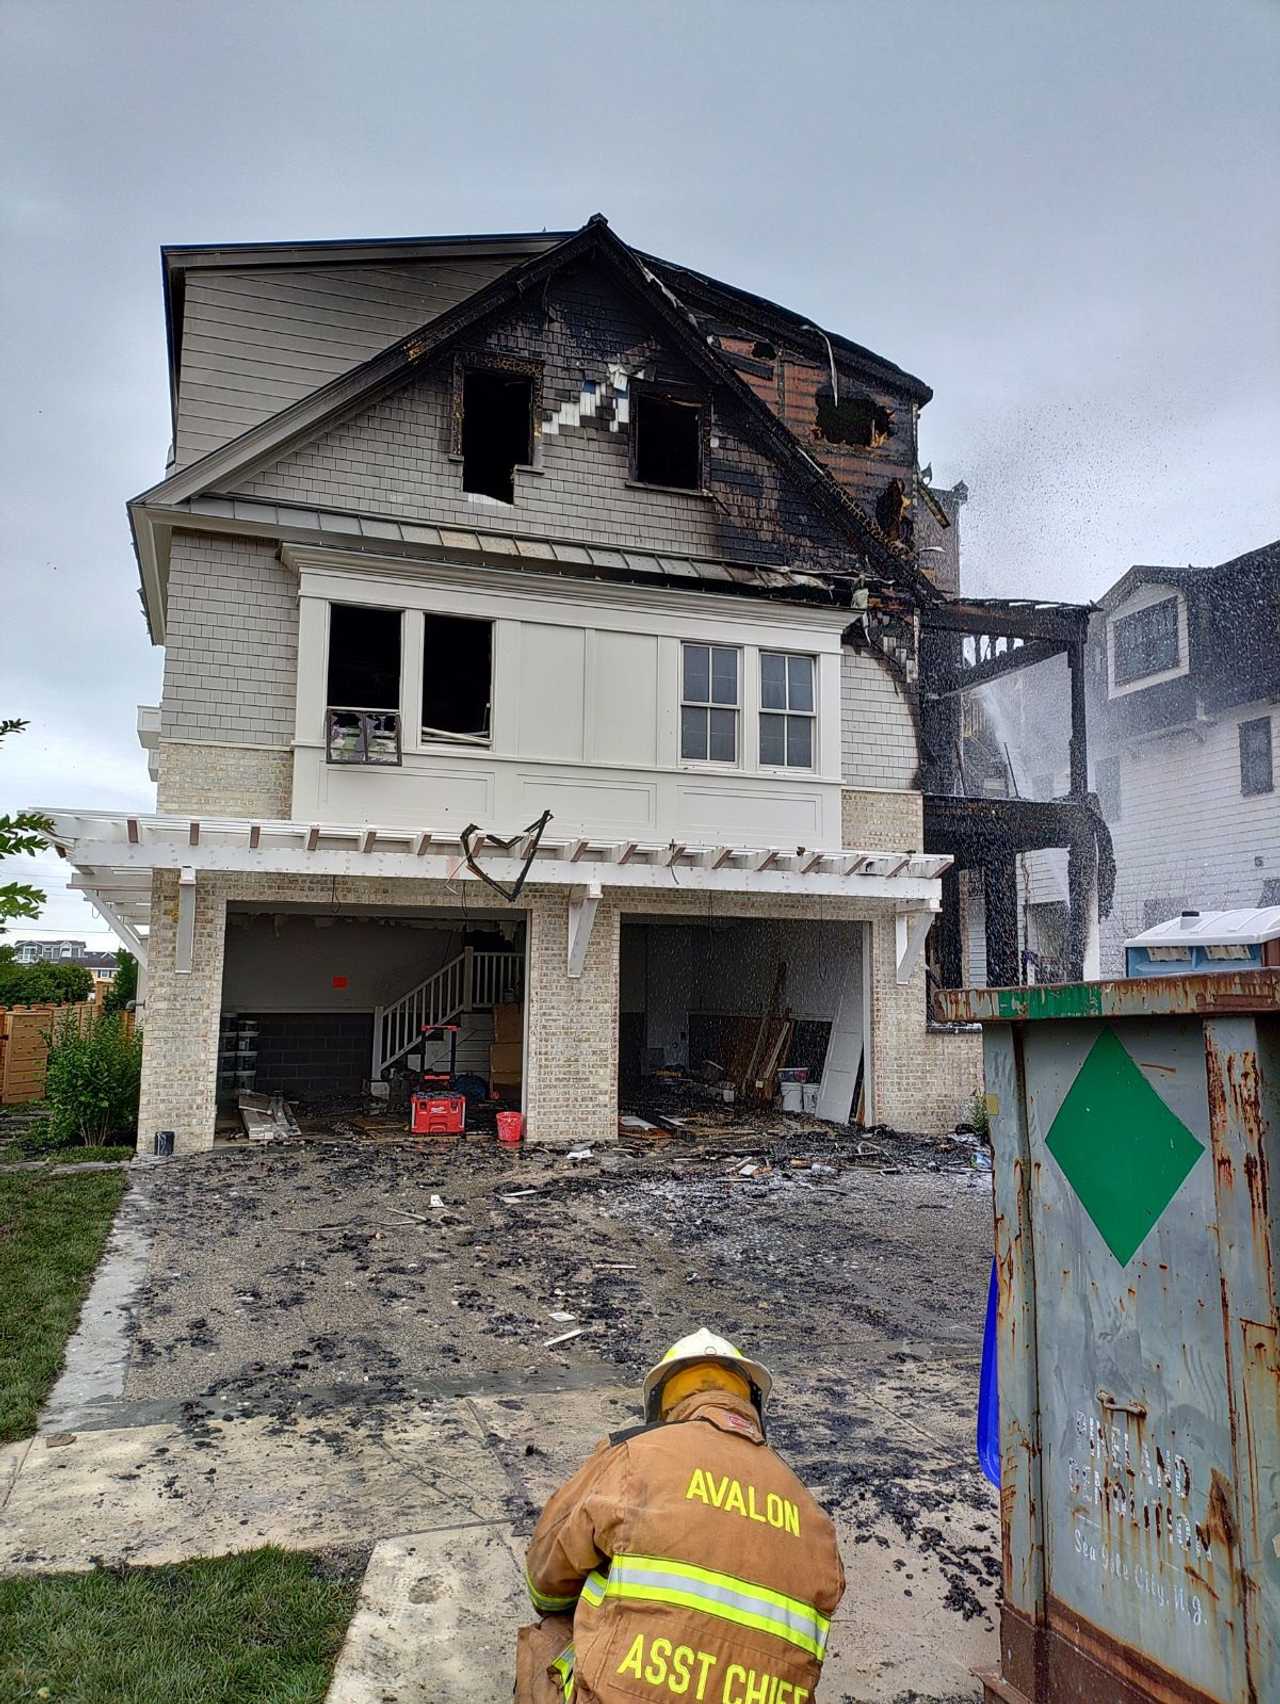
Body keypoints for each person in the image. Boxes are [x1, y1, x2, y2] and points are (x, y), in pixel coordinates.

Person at [517, 1328, 845, 1703]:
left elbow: (545, 1583)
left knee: (549, 1633)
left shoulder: (633, 1454)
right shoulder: (812, 1515)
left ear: (662, 1404)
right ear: (750, 1403)